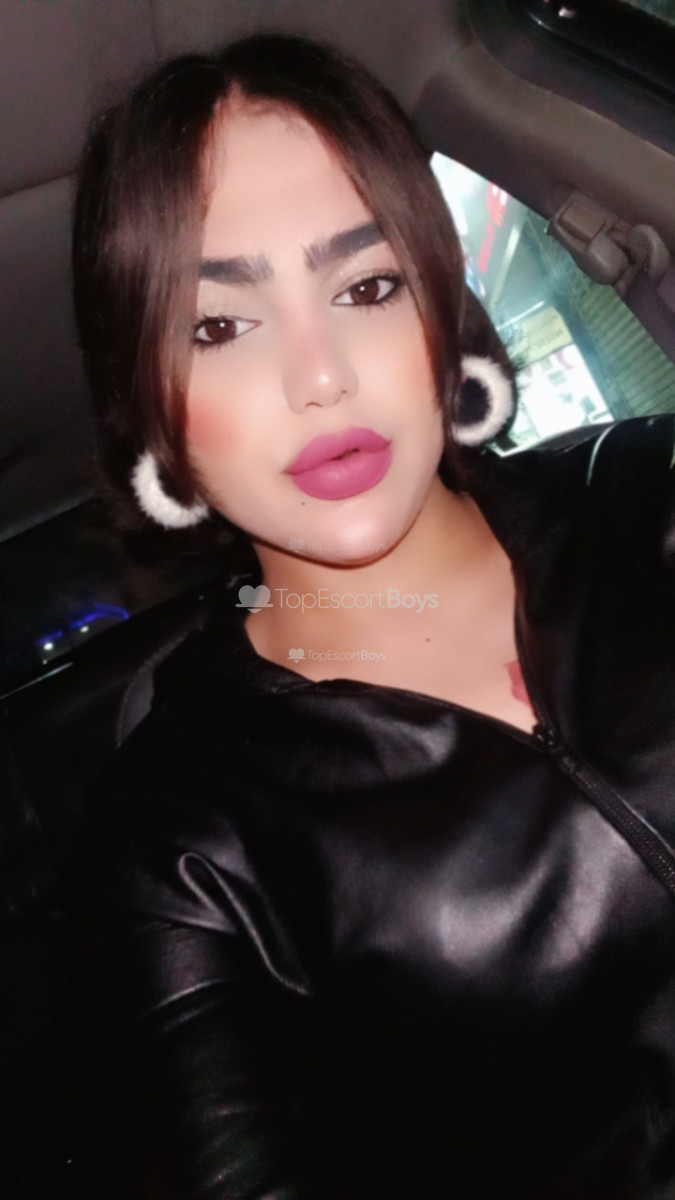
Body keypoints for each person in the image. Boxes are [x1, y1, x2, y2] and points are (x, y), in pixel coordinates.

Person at [69, 31, 675, 1200]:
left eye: (366, 287)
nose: (322, 375)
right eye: (218, 325)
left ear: (440, 314)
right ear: (149, 411)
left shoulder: (643, 498)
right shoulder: (175, 849)